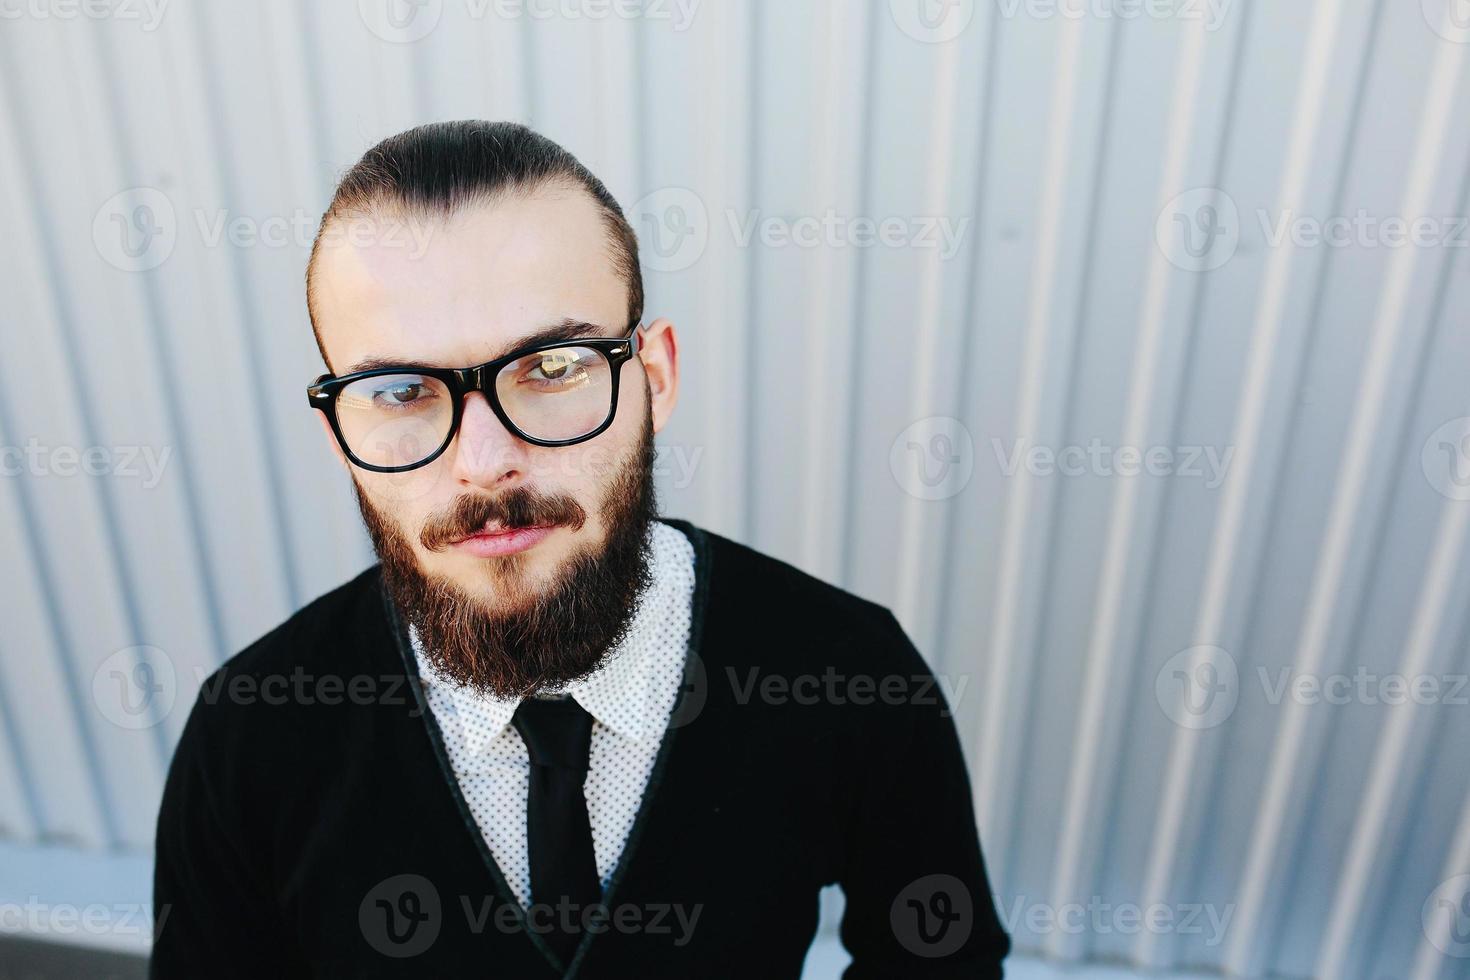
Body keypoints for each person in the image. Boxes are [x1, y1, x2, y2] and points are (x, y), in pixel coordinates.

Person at [150, 120, 1010, 978]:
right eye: (401, 391)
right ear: (341, 435)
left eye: (552, 367)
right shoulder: (250, 739)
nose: (484, 465)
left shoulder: (850, 675)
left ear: (654, 379)